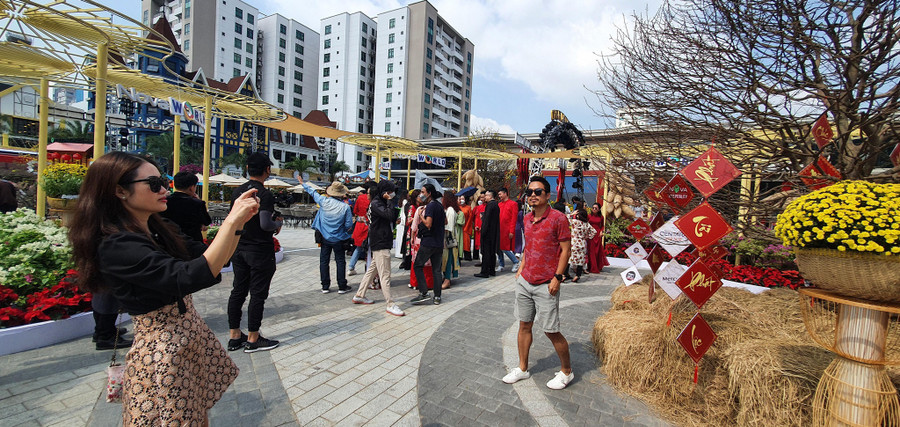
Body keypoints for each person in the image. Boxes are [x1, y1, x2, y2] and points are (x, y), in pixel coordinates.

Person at [68, 152, 258, 424]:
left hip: (186, 340)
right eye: (154, 183)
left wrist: (237, 223)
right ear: (120, 191)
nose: (164, 189)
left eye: (164, 181)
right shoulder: (116, 245)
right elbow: (189, 276)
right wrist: (230, 221)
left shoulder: (157, 227)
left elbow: (211, 260)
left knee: (196, 415)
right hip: (163, 350)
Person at [503, 175, 574, 390]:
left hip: (546, 283)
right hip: (525, 281)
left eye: (538, 192)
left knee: (551, 330)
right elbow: (529, 246)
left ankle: (566, 371)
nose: (532, 195)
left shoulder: (558, 218)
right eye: (530, 192)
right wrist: (522, 268)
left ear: (548, 195)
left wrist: (558, 277)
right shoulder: (527, 218)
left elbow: (565, 250)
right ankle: (522, 368)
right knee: (524, 325)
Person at [227, 153, 283, 353]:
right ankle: (253, 338)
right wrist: (278, 223)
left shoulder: (238, 192)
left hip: (239, 247)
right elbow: (265, 223)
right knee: (258, 294)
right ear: (267, 170)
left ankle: (235, 335)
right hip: (259, 250)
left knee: (238, 291)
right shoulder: (263, 194)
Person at [352, 180, 404, 316]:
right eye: (390, 192)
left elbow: (389, 217)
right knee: (385, 274)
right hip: (380, 242)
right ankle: (390, 303)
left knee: (371, 270)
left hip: (380, 241)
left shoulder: (377, 203)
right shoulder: (377, 203)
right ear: (384, 192)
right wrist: (390, 202)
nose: (392, 194)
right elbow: (389, 215)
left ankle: (360, 294)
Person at [303, 177, 353, 294]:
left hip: (325, 237)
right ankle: (342, 286)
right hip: (339, 238)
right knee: (340, 261)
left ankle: (325, 286)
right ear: (341, 194)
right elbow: (348, 224)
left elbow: (313, 192)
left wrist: (303, 184)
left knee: (324, 261)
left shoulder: (323, 201)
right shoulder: (345, 207)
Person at [410, 183, 445, 305]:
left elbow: (428, 224)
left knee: (418, 265)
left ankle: (424, 292)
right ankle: (437, 296)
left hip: (429, 242)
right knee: (436, 270)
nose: (421, 194)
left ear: (429, 193)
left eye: (423, 192)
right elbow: (444, 221)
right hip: (439, 243)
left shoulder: (430, 207)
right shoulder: (440, 206)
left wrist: (420, 216)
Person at [159, 171, 212, 242]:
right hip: (193, 242)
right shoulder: (197, 203)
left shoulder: (165, 201)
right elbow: (206, 221)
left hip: (169, 240)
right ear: (191, 187)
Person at [348, 181, 374, 276]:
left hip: (360, 224)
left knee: (358, 248)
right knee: (371, 249)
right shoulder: (374, 198)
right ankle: (370, 268)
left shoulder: (359, 198)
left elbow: (355, 211)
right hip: (369, 225)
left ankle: (351, 267)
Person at [474, 190, 500, 278]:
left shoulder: (490, 205)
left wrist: (483, 231)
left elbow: (487, 220)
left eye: (486, 196)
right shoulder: (496, 205)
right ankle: (491, 270)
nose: (484, 197)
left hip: (488, 233)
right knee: (492, 252)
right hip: (493, 232)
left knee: (486, 253)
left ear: (490, 196)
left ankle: (485, 271)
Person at [568, 208, 596, 282]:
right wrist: (587, 236)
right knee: (580, 260)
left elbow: (564, 218)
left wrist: (571, 214)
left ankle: (565, 274)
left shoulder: (575, 222)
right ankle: (578, 275)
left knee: (569, 259)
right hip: (582, 243)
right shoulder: (587, 224)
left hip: (574, 242)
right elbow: (594, 232)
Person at [441, 190, 461, 289]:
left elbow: (449, 226)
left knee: (448, 259)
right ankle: (445, 277)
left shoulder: (450, 210)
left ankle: (447, 279)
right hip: (446, 237)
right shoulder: (449, 209)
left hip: (448, 238)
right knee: (445, 259)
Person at [497, 188, 519, 272]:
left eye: (500, 194)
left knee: (505, 248)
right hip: (499, 229)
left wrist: (511, 231)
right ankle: (501, 264)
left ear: (505, 193)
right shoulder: (499, 205)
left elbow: (514, 219)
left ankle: (516, 262)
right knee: (498, 248)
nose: (499, 196)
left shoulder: (513, 204)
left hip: (507, 230)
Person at [401, 190, 421, 271]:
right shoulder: (412, 207)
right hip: (412, 231)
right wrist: (417, 218)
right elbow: (408, 220)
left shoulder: (421, 206)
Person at [587, 202, 609, 273]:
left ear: (599, 209)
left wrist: (601, 231)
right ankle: (591, 267)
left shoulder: (601, 217)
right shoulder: (589, 216)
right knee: (591, 250)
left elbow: (602, 226)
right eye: (593, 208)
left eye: (595, 208)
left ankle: (597, 265)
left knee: (597, 251)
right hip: (590, 234)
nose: (594, 209)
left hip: (597, 234)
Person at [459, 195, 474, 261]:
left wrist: (467, 227)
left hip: (466, 227)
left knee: (466, 242)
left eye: (463, 198)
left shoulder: (468, 208)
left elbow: (470, 219)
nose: (461, 200)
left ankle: (467, 256)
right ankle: (460, 256)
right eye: (460, 198)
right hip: (459, 227)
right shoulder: (458, 207)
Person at [473, 193, 485, 264]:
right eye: (480, 198)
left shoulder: (487, 207)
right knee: (479, 245)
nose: (481, 199)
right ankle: (481, 261)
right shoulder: (476, 208)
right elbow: (473, 218)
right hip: (477, 230)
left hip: (484, 228)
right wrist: (475, 226)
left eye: (483, 197)